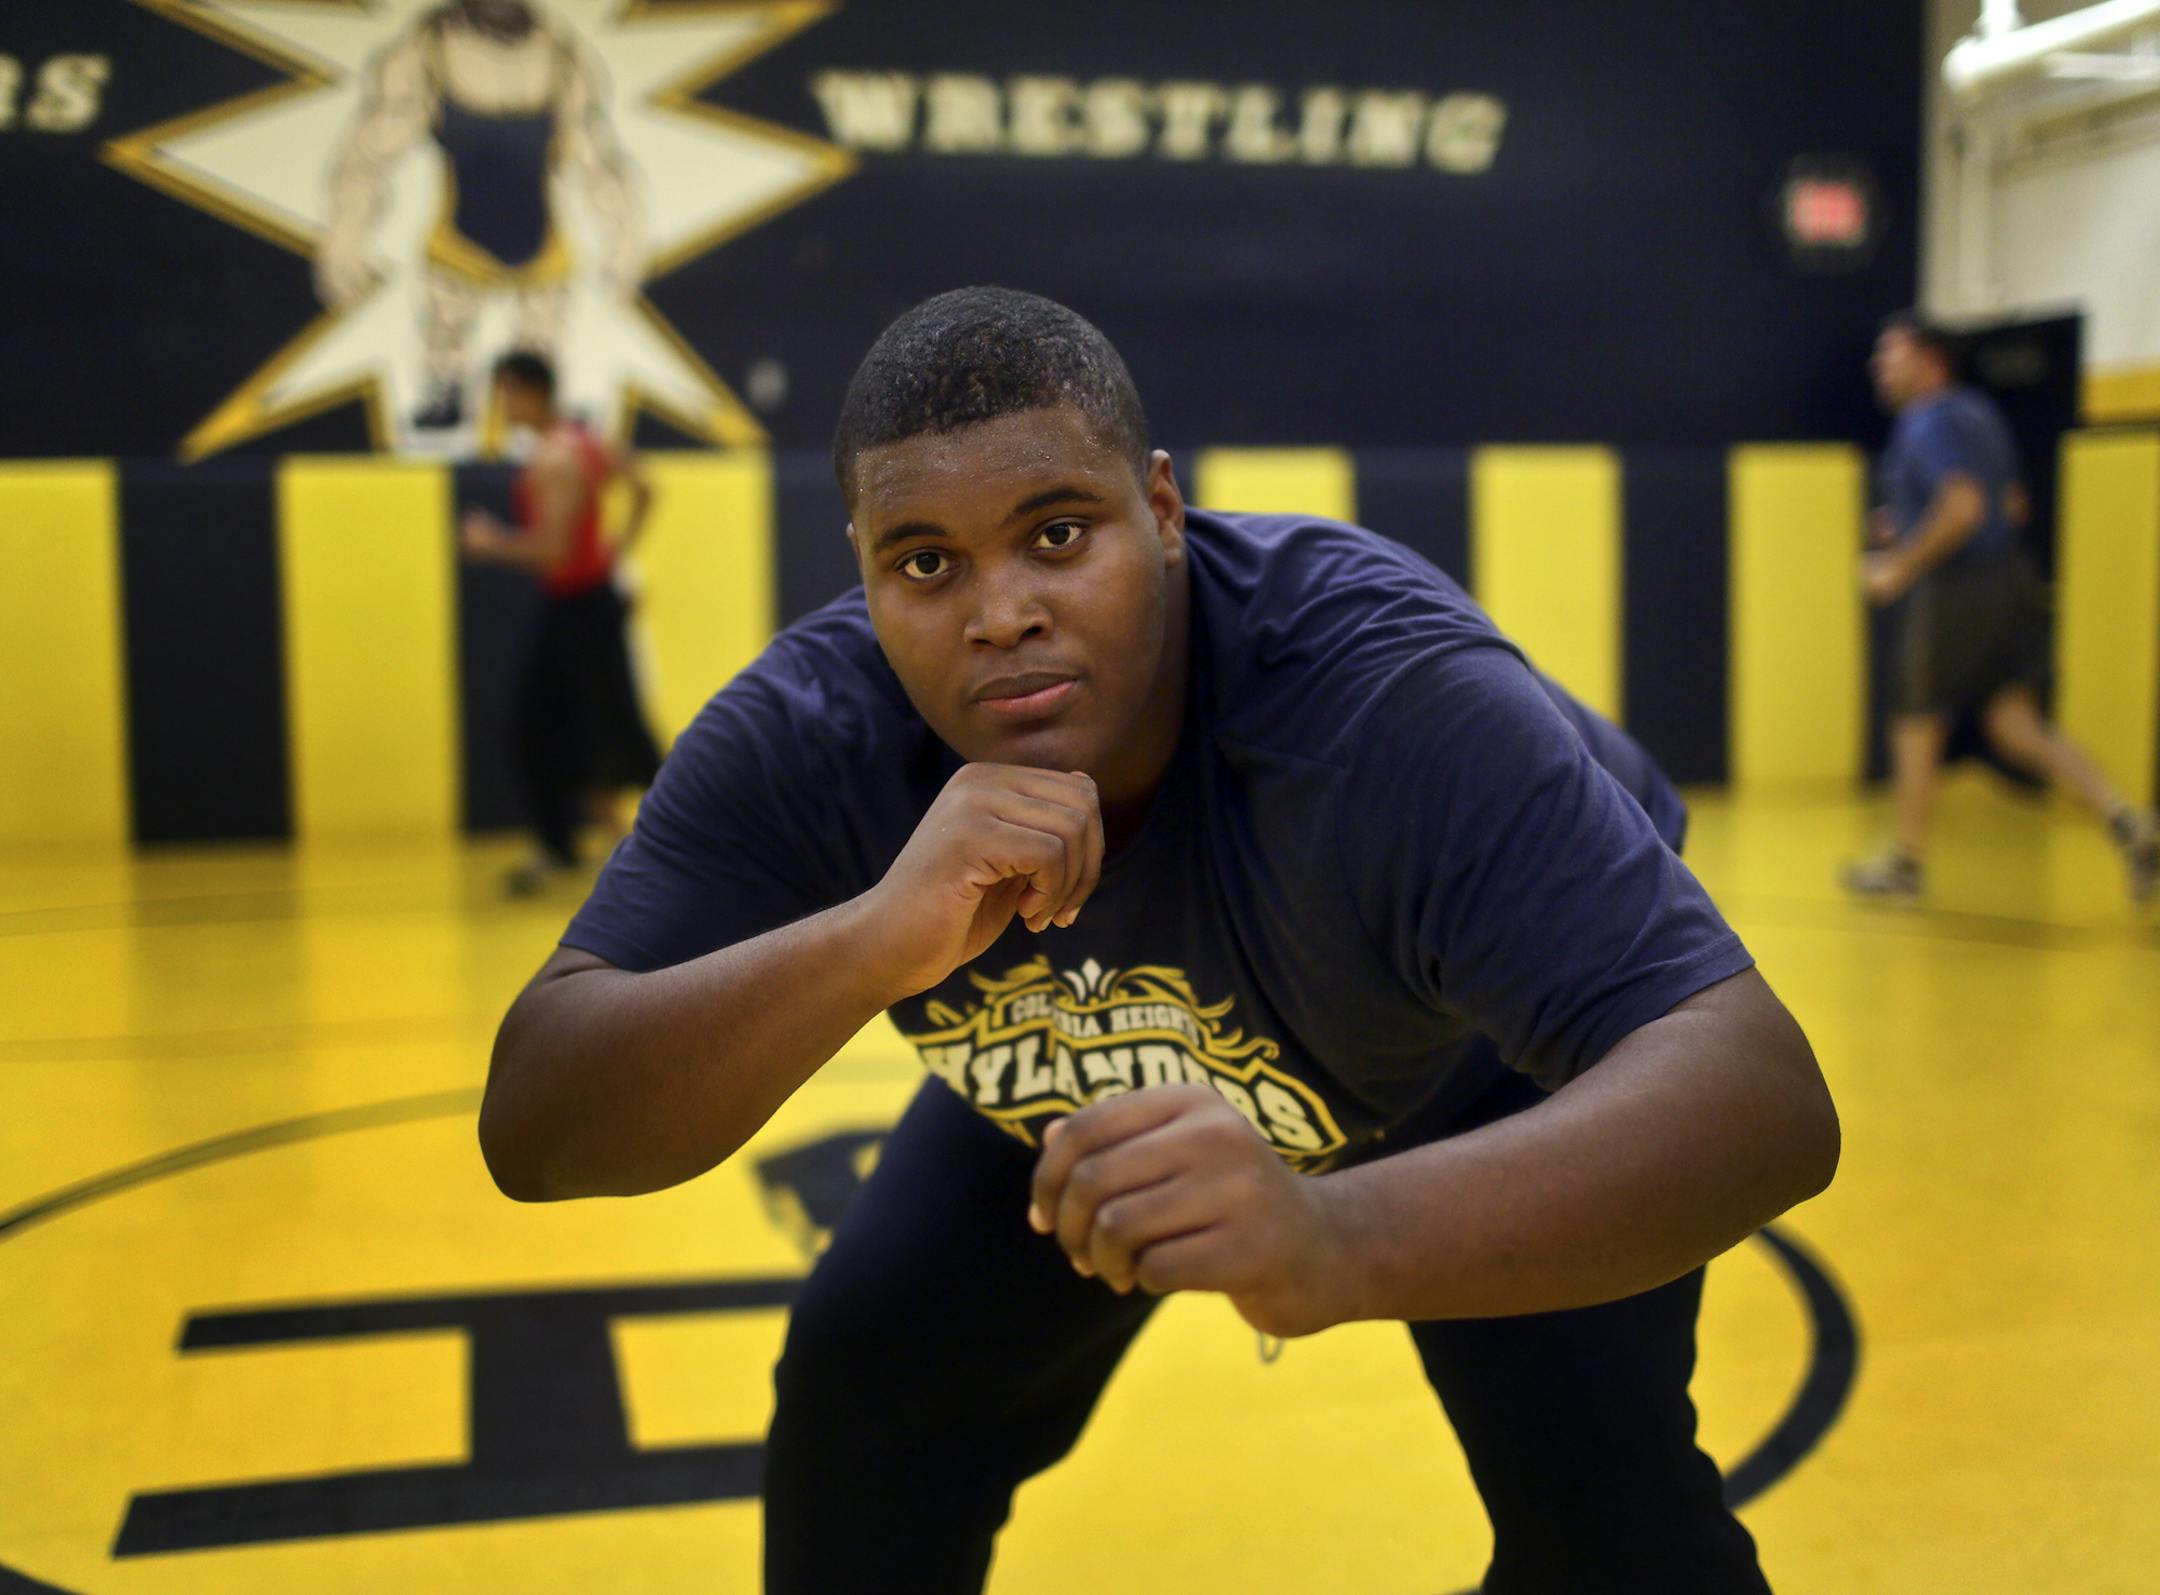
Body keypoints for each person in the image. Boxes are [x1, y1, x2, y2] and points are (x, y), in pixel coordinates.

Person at [477, 288, 1842, 1593]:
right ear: (867, 575)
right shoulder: (815, 734)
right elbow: (538, 1118)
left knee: (1609, 1522)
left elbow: (1760, 1094)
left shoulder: (1377, 698)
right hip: (1081, 1071)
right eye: (928, 562)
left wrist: (1335, 1232)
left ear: (1164, 510)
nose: (999, 609)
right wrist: (873, 940)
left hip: (1463, 1051)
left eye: (1058, 532)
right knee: (868, 1391)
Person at [1845, 311, 2158, 905]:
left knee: (1915, 719)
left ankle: (1906, 865)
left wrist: (1899, 568)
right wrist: (1910, 521)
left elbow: (1963, 509)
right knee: (2015, 724)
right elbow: (2007, 505)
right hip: (2012, 578)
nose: (1879, 365)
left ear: (1929, 359)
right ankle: (2127, 821)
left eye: (1891, 353)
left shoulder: (1928, 421)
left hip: (1957, 586)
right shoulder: (1979, 414)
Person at [315, 0, 644, 430]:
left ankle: (530, 406)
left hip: (541, 244)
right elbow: (368, 154)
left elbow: (599, 162)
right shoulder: (429, 51)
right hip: (459, 243)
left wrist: (626, 241)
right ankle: (446, 393)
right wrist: (344, 238)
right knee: (448, 333)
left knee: (540, 341)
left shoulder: (562, 57)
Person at [460, 349, 661, 893]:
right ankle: (573, 842)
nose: (501, 405)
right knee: (590, 726)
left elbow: (552, 552)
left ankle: (689, 833)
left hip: (578, 605)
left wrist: (490, 542)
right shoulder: (587, 440)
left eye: (505, 393)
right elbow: (645, 489)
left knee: (580, 727)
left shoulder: (554, 459)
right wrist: (617, 549)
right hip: (585, 602)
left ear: (528, 392)